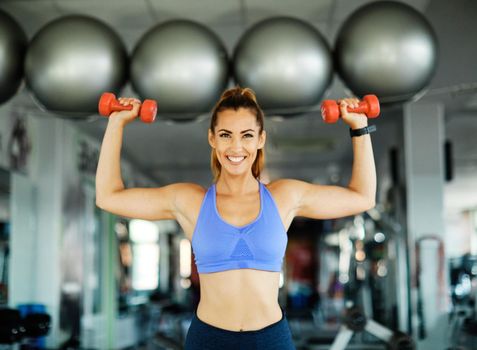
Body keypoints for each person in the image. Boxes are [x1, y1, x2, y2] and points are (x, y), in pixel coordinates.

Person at [95, 86, 376, 350]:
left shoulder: (285, 197)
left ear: (261, 139)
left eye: (247, 135)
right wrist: (116, 123)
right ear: (212, 138)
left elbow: (362, 196)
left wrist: (359, 127)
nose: (236, 147)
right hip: (209, 339)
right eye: (226, 135)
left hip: (270, 340)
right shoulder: (189, 201)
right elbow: (108, 196)